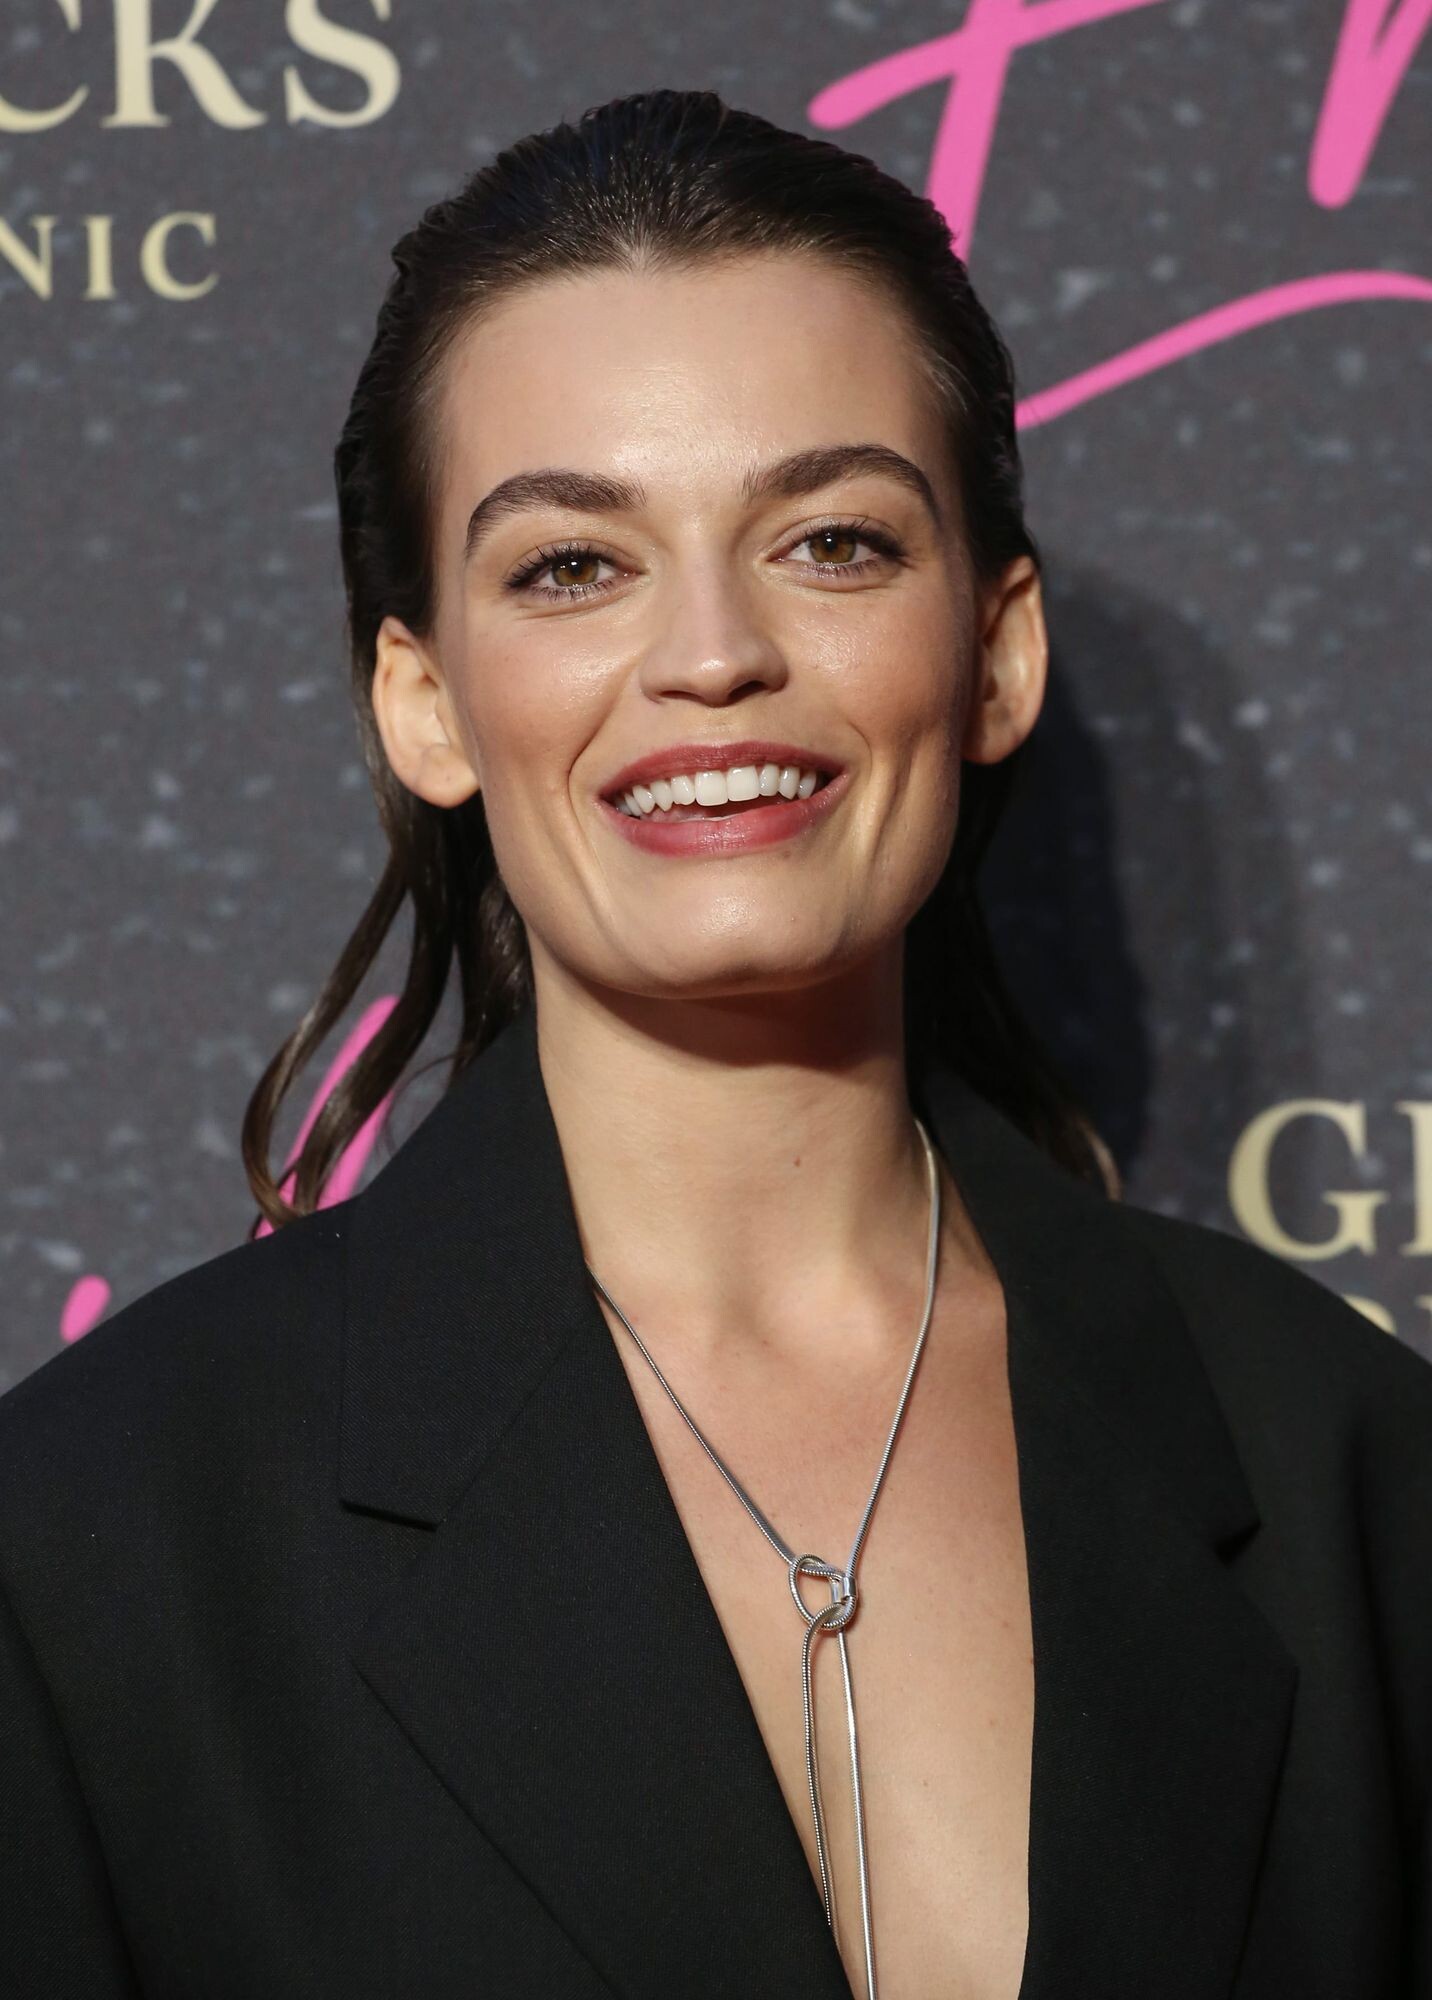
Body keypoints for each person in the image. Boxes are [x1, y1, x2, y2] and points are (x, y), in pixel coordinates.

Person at [1, 89, 1428, 2000]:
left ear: (995, 650)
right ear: (425, 703)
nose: (711, 655)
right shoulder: (95, 1543)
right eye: (571, 566)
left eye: (832, 541)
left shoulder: (1346, 1466)